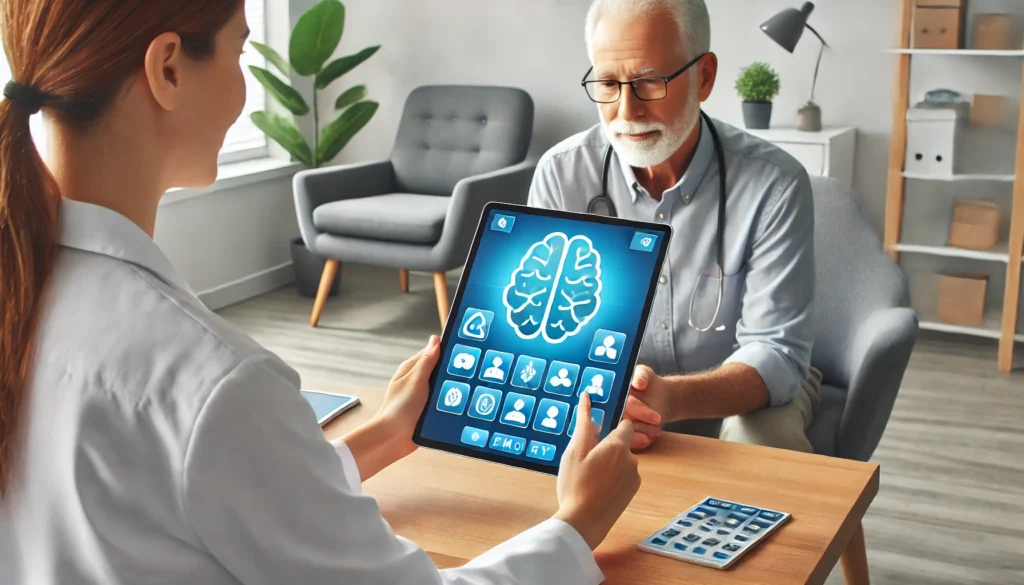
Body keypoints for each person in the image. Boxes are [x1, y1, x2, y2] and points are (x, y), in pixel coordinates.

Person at [0, 1, 641, 583]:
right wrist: (578, 523)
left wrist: (388, 431)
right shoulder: (216, 383)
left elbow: (218, 491)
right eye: (241, 52)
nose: (243, 89)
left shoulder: (24, 300)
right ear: (168, 68)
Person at [527, 0, 821, 453]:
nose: (627, 110)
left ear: (704, 77)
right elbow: (546, 337)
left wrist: (668, 398)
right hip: (609, 391)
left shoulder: (774, 185)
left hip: (739, 388)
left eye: (649, 82)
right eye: (608, 83)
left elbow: (776, 354)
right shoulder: (561, 174)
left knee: (760, 441)